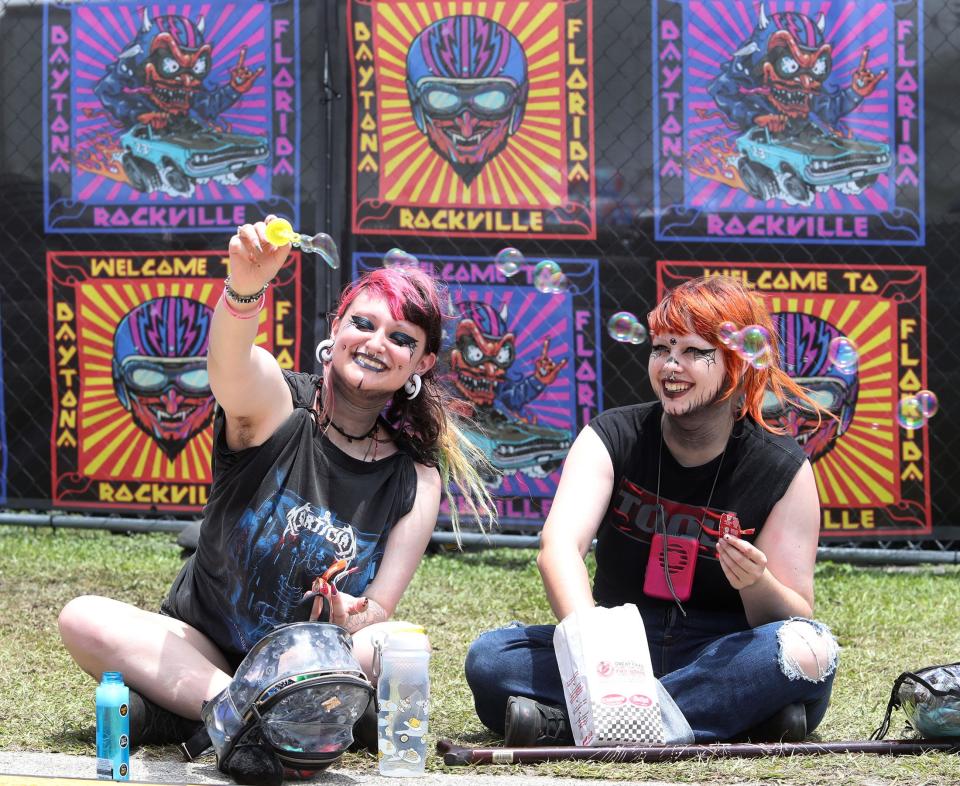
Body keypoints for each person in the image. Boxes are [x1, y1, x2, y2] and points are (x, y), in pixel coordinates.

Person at [59, 217, 495, 779]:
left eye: (401, 338)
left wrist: (355, 616)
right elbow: (233, 367)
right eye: (363, 323)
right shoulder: (277, 406)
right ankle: (246, 714)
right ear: (336, 328)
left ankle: (197, 715)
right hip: (205, 645)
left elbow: (381, 608)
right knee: (84, 619)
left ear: (422, 363)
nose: (376, 343)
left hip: (306, 664)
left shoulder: (417, 478)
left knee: (397, 646)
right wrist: (245, 288)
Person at [464, 275, 840, 746]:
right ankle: (728, 719)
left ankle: (587, 723)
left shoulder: (782, 467)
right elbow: (558, 548)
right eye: (661, 349)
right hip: (617, 645)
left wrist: (757, 583)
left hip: (721, 651)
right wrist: (594, 656)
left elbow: (793, 615)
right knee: (493, 658)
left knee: (807, 653)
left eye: (692, 351)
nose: (670, 366)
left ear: (740, 365)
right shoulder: (610, 435)